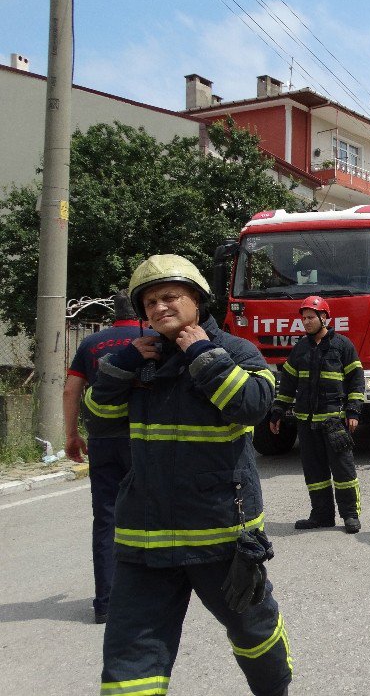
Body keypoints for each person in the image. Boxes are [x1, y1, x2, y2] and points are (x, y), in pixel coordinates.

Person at [91, 254, 291, 696]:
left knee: (255, 634)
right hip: (145, 541)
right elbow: (101, 420)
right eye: (149, 303)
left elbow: (253, 407)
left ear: (197, 300)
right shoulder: (138, 362)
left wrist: (202, 353)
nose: (159, 308)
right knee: (131, 662)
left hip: (221, 537)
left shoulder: (238, 352)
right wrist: (119, 368)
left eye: (170, 297)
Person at [63, 291, 145, 625]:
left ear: (113, 315)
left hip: (102, 439)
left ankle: (107, 603)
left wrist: (71, 434)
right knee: (150, 514)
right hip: (144, 439)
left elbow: (71, 389)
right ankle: (149, 596)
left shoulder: (91, 344)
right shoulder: (152, 337)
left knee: (107, 517)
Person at [271, 295, 365, 534]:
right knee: (315, 473)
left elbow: (356, 381)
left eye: (310, 317)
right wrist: (278, 411)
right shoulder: (300, 348)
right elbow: (289, 384)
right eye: (304, 318)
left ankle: (350, 515)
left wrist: (353, 411)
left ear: (324, 318)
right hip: (306, 422)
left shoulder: (343, 346)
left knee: (343, 471)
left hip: (334, 422)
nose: (306, 322)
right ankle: (322, 515)